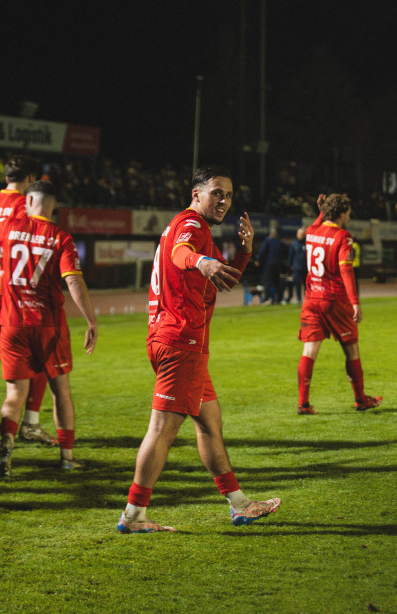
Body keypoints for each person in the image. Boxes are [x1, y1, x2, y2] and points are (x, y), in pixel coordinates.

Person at [117, 166, 281, 534]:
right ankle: (133, 514)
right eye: (216, 193)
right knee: (162, 429)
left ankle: (240, 504)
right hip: (180, 342)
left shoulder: (194, 228)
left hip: (178, 341)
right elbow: (181, 253)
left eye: (229, 195)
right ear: (196, 195)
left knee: (210, 423)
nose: (224, 201)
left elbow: (225, 280)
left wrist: (244, 252)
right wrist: (201, 261)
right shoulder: (191, 225)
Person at [0, 180, 98, 477]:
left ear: (28, 201)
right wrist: (91, 320)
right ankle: (66, 457)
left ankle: (5, 448)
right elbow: (73, 280)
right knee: (61, 391)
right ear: (53, 204)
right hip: (48, 325)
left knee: (14, 394)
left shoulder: (8, 226)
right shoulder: (60, 236)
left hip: (12, 324)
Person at [0, 155, 56, 449]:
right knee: (37, 355)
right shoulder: (24, 205)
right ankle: (30, 423)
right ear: (30, 178)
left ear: (6, 177)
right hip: (14, 291)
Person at [297, 193, 382, 415]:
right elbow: (346, 270)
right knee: (352, 349)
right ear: (342, 214)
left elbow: (318, 225)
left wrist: (321, 212)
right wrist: (355, 302)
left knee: (309, 351)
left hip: (311, 299)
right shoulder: (343, 236)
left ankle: (303, 404)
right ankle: (360, 399)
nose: (350, 218)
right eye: (349, 214)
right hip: (334, 300)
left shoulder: (311, 231)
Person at [255, 227, 285, 304]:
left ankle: (267, 298)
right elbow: (283, 255)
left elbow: (262, 250)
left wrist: (258, 259)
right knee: (277, 282)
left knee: (267, 281)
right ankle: (278, 299)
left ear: (271, 234)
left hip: (269, 264)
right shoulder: (280, 242)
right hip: (278, 265)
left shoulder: (268, 240)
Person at [286, 227, 308, 304]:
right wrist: (289, 267)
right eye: (300, 234)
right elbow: (290, 256)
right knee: (297, 284)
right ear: (297, 234)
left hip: (305, 268)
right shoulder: (294, 244)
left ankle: (307, 299)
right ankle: (299, 299)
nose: (301, 235)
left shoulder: (307, 244)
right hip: (297, 268)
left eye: (302, 234)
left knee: (306, 285)